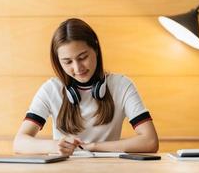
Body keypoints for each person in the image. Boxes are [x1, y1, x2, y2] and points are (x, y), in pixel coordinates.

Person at [13, 18, 159, 156]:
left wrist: (93, 147)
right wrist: (56, 145)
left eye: (83, 57)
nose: (77, 68)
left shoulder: (122, 85)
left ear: (95, 48)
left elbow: (150, 141)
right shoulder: (50, 89)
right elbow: (19, 143)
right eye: (67, 62)